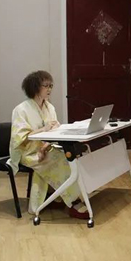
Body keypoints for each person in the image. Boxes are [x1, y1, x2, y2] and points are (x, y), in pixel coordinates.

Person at [9, 71, 89, 218]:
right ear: (35, 87)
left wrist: (45, 147)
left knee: (70, 157)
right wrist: (43, 130)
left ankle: (56, 197)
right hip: (27, 152)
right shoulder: (21, 110)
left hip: (45, 149)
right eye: (46, 86)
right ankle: (73, 201)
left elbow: (53, 133)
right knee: (61, 161)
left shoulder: (49, 107)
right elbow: (19, 139)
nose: (49, 89)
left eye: (51, 85)